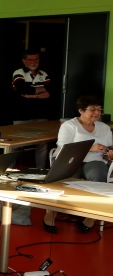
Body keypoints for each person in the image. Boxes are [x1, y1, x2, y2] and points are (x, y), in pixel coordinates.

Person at [43, 96, 112, 234]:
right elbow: (64, 149)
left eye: (99, 110)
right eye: (92, 109)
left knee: (98, 175)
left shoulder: (104, 128)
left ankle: (90, 217)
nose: (97, 113)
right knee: (66, 181)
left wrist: (109, 154)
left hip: (94, 160)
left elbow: (108, 149)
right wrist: (90, 148)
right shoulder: (69, 126)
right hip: (70, 160)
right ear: (81, 110)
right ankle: (50, 214)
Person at [12, 48, 52, 168]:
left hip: (40, 114)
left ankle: (39, 170)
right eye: (30, 59)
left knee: (42, 144)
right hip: (21, 115)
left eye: (36, 59)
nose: (34, 62)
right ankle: (9, 170)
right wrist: (39, 91)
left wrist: (32, 95)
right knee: (16, 144)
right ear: (24, 61)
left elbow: (49, 93)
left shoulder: (43, 74)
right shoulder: (18, 72)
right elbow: (22, 89)